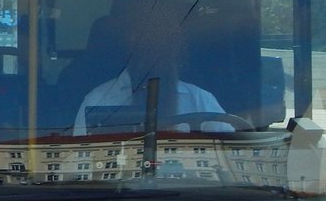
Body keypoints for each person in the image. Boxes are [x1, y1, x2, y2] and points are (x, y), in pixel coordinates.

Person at [73, 10, 230, 135]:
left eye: (161, 36)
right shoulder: (98, 101)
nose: (153, 44)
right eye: (145, 36)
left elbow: (230, 153)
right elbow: (79, 163)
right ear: (130, 41)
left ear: (175, 45)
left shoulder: (201, 101)